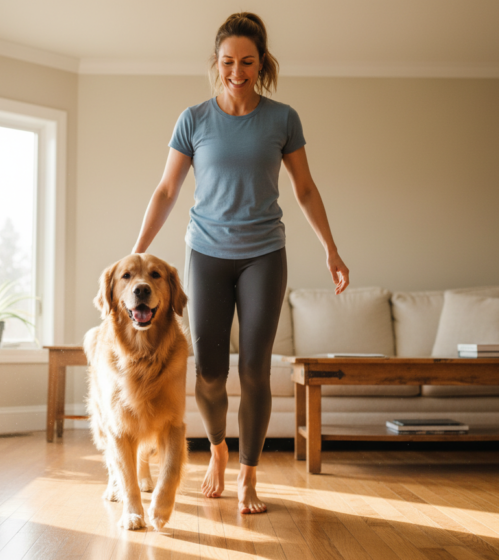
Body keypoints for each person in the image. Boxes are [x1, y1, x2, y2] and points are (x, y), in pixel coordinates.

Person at [132, 12, 349, 514]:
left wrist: (330, 249)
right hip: (205, 254)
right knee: (208, 373)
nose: (237, 71)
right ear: (216, 62)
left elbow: (306, 189)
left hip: (264, 255)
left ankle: (249, 476)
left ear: (262, 62)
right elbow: (167, 190)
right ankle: (218, 451)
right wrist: (140, 251)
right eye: (228, 61)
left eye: (247, 62)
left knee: (254, 371)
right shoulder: (194, 119)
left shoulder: (282, 119)